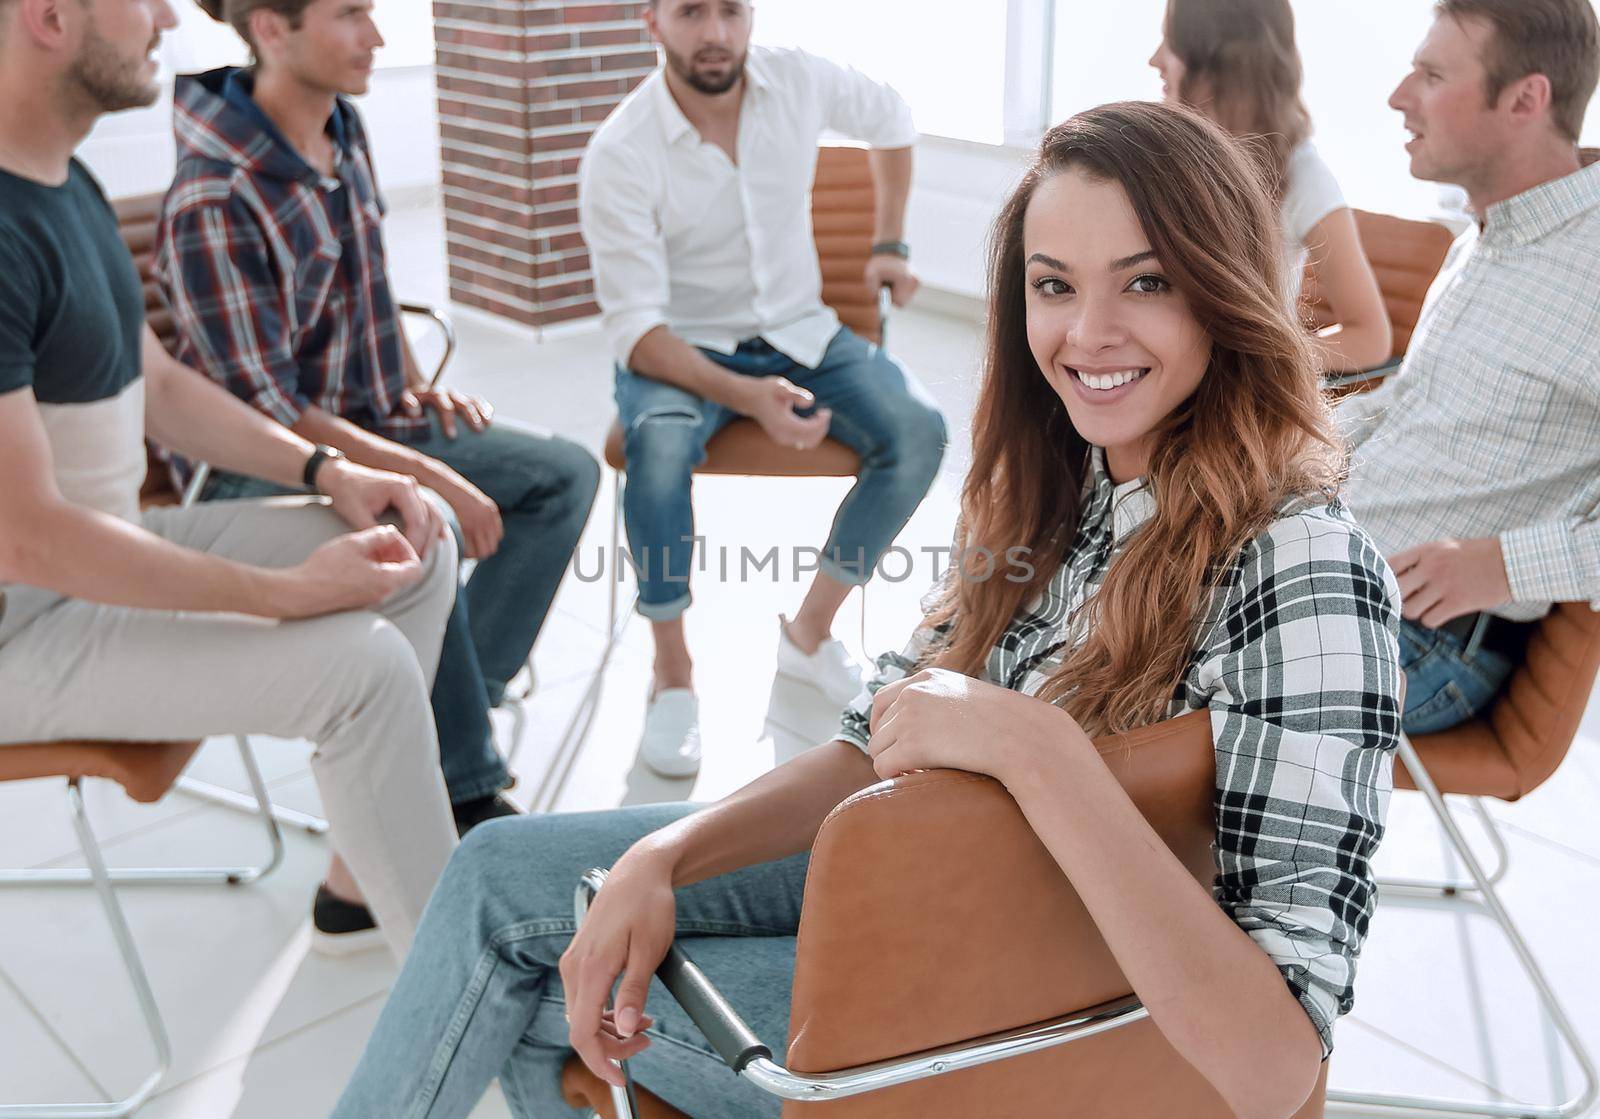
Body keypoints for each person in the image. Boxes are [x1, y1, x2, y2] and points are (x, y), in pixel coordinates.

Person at [333, 101, 1404, 1119]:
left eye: (1147, 282)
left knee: (540, 986)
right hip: (928, 882)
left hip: (1012, 1018)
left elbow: (1273, 1068)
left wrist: (1039, 754)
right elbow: (873, 739)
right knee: (501, 876)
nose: (1088, 332)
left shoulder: (1304, 567)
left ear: (1224, 290)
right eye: (1052, 285)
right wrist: (666, 855)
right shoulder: (1066, 483)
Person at [0, 0, 457, 957]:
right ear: (49, 19)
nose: (167, 15)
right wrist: (284, 594)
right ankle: (474, 1004)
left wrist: (329, 468)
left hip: (96, 563)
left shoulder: (62, 182)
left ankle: (363, 881)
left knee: (415, 537)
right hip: (21, 627)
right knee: (365, 672)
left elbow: (160, 388)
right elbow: (26, 535)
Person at [157, 0, 601, 837]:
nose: (379, 37)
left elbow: (367, 279)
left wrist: (408, 383)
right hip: (259, 464)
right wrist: (423, 470)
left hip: (367, 422)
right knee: (423, 517)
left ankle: (436, 714)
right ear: (270, 29)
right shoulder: (215, 195)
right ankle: (465, 787)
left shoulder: (340, 127)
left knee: (563, 475)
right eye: (351, 14)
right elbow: (267, 411)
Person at [578, 0, 948, 778]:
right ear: (651, 21)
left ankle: (808, 634)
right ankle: (672, 670)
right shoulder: (620, 151)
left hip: (800, 331)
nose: (715, 31)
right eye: (690, 12)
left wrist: (891, 242)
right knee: (657, 443)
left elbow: (895, 118)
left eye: (731, 10)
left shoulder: (798, 79)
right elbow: (637, 332)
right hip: (681, 347)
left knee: (920, 431)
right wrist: (749, 398)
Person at [1341, 0, 1600, 734]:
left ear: (1526, 98)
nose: (1398, 97)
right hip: (1342, 573)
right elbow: (1408, 403)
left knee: (1132, 674)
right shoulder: (1482, 238)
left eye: (1430, 75)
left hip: (1430, 641)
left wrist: (1506, 566)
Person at [1150, 0, 1394, 373]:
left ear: (1221, 61)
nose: (1154, 59)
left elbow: (1370, 338)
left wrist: (1252, 363)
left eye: (1171, 42)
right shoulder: (1164, 151)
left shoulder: (1302, 175)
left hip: (1226, 398)